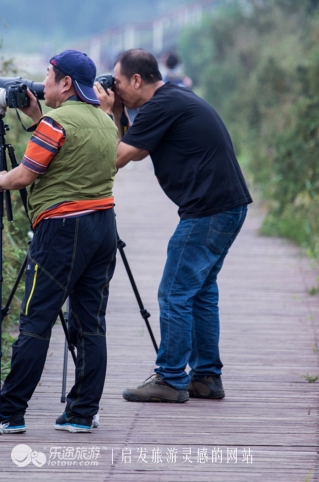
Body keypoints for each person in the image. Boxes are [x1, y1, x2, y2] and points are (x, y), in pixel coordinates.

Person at [0, 50, 118, 433]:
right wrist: (38, 117)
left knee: (36, 321)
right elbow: (69, 152)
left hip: (63, 232)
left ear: (66, 83)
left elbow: (27, 174)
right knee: (90, 323)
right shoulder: (104, 121)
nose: (44, 83)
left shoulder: (56, 123)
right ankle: (82, 413)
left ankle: (8, 412)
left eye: (49, 76)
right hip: (103, 227)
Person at [94, 48, 251, 403]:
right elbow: (137, 148)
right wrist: (118, 113)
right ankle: (206, 377)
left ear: (137, 79)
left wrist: (106, 113)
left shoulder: (159, 106)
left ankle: (169, 378)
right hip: (228, 207)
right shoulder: (171, 99)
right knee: (200, 292)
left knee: (174, 292)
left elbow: (116, 158)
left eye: (117, 83)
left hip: (208, 211)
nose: (114, 90)